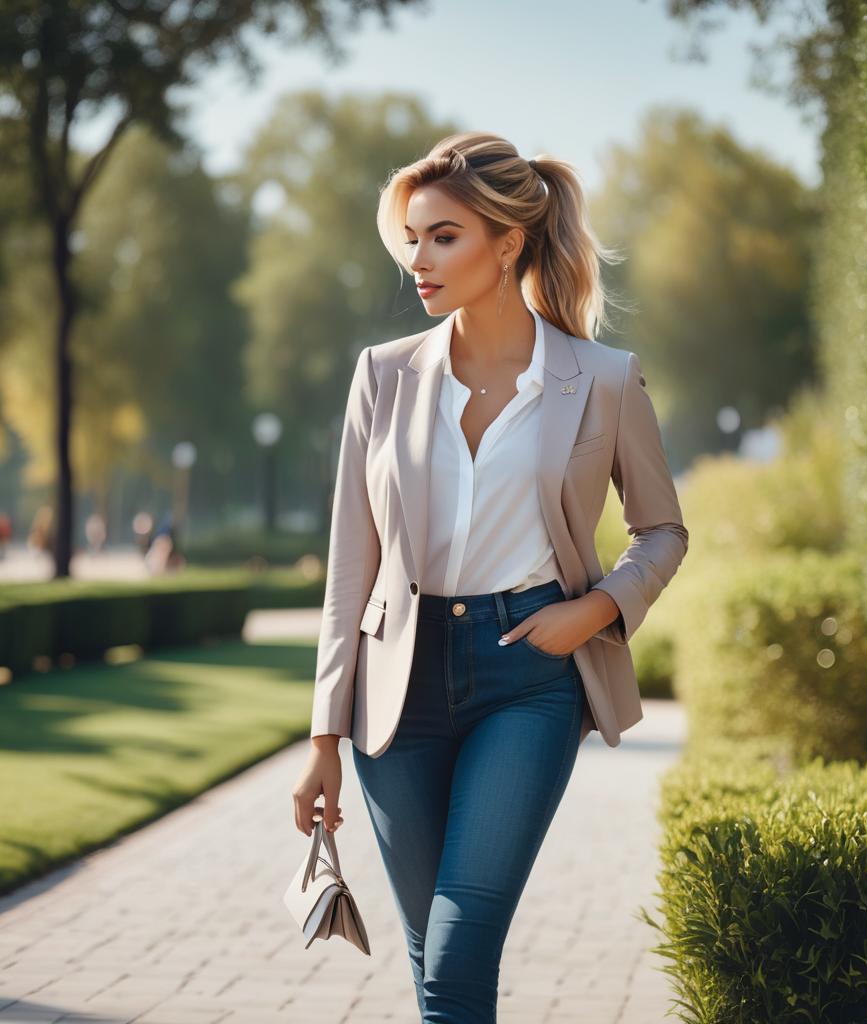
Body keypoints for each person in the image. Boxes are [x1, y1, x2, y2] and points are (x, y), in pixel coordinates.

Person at [291, 131, 689, 1023]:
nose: (417, 260)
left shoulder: (603, 380)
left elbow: (662, 530)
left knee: (462, 944)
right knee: (436, 959)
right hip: (397, 687)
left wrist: (593, 610)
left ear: (507, 243)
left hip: (529, 677)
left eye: (443, 237)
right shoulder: (382, 376)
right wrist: (323, 737)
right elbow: (350, 563)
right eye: (413, 238)